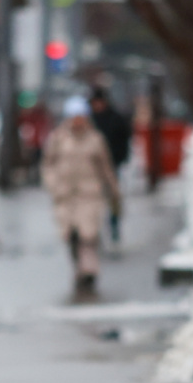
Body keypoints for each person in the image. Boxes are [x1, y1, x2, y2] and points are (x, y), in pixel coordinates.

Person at [42, 96, 121, 295]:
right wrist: (53, 185)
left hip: (89, 194)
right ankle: (79, 269)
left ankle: (89, 270)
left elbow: (105, 167)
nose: (78, 121)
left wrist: (113, 191)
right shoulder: (58, 138)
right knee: (71, 235)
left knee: (88, 235)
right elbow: (48, 164)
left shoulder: (95, 139)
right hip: (65, 195)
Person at [89, 87, 131, 243]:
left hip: (112, 165)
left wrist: (120, 158)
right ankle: (94, 229)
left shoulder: (115, 119)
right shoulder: (90, 120)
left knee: (113, 198)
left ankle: (114, 225)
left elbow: (124, 140)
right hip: (92, 168)